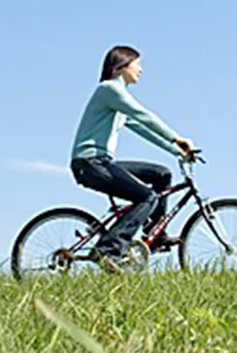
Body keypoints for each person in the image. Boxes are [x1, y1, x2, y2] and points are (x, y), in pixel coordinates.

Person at [69, 45, 197, 264]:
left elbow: (142, 128)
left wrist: (177, 151)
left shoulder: (117, 99)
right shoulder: (109, 90)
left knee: (161, 175)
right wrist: (177, 137)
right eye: (137, 64)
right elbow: (144, 115)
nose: (141, 70)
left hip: (102, 161)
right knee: (147, 197)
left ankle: (155, 234)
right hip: (89, 163)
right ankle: (108, 248)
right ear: (121, 66)